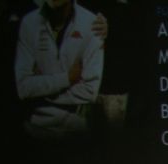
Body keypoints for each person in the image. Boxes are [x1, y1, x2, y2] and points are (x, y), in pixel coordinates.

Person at [14, 0, 104, 139]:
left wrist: (40, 89)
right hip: (35, 128)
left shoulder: (92, 23)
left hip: (76, 129)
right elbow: (23, 87)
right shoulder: (29, 22)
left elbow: (89, 91)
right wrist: (67, 79)